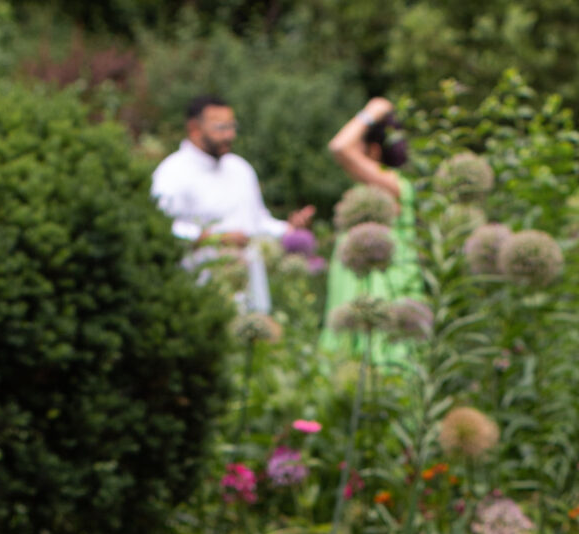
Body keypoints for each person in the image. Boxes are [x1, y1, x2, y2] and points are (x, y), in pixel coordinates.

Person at [151, 95, 314, 315]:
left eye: (232, 126)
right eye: (221, 127)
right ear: (194, 128)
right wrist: (214, 238)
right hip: (200, 295)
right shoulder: (172, 173)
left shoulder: (241, 169)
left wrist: (290, 230)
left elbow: (258, 222)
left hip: (250, 292)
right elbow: (160, 229)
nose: (230, 135)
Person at [321, 96, 425, 365]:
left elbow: (340, 147)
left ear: (374, 150)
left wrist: (371, 112)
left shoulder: (394, 184)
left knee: (383, 364)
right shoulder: (371, 189)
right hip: (355, 289)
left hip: (383, 290)